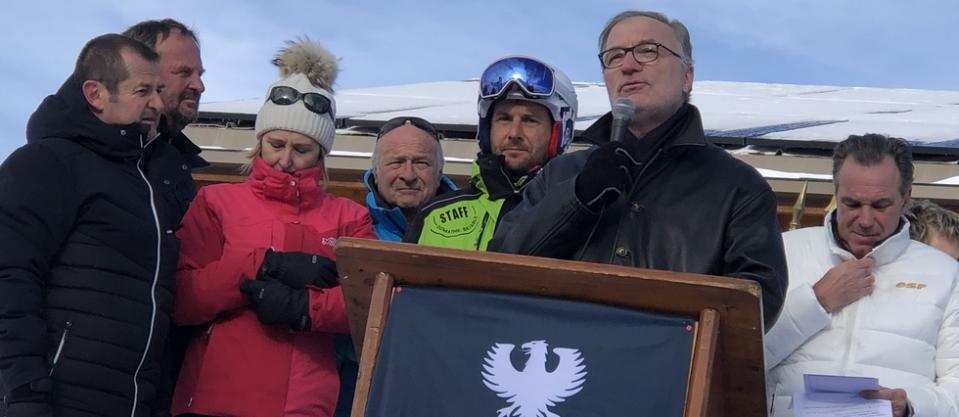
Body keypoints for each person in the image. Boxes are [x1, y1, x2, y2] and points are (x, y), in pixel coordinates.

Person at [488, 10, 787, 329]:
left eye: (648, 51)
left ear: (687, 76)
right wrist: (578, 200)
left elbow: (754, 309)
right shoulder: (560, 176)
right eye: (614, 57)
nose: (628, 66)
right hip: (562, 367)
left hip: (674, 372)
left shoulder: (737, 186)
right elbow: (500, 269)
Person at [169, 39, 375, 417]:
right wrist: (260, 266)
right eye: (276, 144)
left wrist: (304, 308)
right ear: (259, 142)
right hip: (217, 397)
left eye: (302, 149)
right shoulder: (217, 203)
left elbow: (367, 302)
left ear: (321, 154)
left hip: (304, 403)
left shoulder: (349, 217)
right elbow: (184, 298)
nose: (285, 160)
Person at [0, 34, 187, 417]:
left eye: (158, 90)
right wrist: (23, 392)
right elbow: (9, 277)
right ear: (96, 93)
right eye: (142, 90)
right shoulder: (46, 163)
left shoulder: (152, 184)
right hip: (51, 398)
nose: (156, 103)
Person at [765, 134, 959, 417]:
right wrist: (816, 302)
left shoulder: (946, 273)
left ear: (906, 199)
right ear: (835, 193)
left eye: (881, 206)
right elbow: (736, 358)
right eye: (852, 204)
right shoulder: (783, 252)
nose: (866, 221)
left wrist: (911, 406)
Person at [404, 55, 578, 250]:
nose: (514, 133)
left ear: (559, 132)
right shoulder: (434, 216)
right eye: (504, 119)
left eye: (530, 120)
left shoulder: (578, 212)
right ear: (487, 128)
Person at [123, 18, 208, 171]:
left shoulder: (188, 169)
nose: (199, 86)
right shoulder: (77, 159)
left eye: (199, 75)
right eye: (184, 72)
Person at [364, 116, 457, 241]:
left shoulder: (474, 231)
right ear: (376, 172)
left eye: (421, 163)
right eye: (396, 162)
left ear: (439, 173)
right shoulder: (351, 229)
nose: (408, 175)